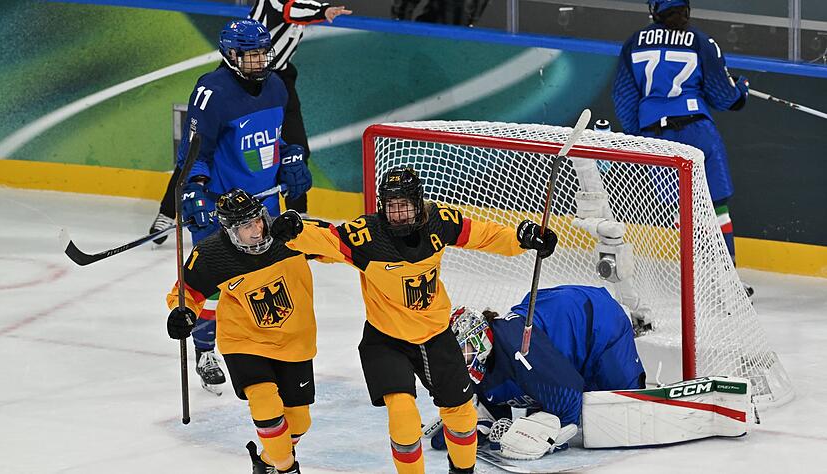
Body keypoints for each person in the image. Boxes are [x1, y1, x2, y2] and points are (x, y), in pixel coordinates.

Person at [268, 166, 559, 473]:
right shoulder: (367, 236)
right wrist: (296, 232)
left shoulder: (440, 221)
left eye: (404, 205)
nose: (397, 213)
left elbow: (483, 235)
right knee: (403, 417)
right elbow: (326, 240)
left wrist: (521, 239)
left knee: (462, 415)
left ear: (419, 203)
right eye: (391, 206)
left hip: (436, 334)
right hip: (386, 340)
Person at [167, 18, 314, 392]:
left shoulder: (276, 86)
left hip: (266, 207)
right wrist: (194, 189)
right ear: (230, 56)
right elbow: (195, 152)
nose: (259, 61)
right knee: (215, 285)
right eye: (250, 55)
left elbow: (273, 142)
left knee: (271, 279)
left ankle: (267, 347)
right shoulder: (212, 92)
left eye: (263, 52)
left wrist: (290, 158)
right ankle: (205, 351)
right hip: (224, 208)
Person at [166, 189, 318, 474]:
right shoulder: (213, 254)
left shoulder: (287, 236)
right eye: (247, 226)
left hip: (294, 341)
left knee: (299, 422)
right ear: (230, 231)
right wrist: (182, 312)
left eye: (258, 220)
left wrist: (303, 227)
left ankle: (267, 463)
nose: (257, 230)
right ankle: (287, 469)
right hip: (245, 341)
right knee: (265, 403)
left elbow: (336, 244)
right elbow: (186, 293)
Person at [612, 0, 752, 296]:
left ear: (654, 10)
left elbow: (624, 98)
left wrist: (641, 137)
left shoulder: (634, 43)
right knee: (718, 208)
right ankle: (729, 285)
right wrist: (740, 91)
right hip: (699, 132)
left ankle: (700, 281)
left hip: (658, 136)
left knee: (684, 213)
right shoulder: (701, 41)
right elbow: (723, 95)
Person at [431, 285, 646, 460]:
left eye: (462, 350)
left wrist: (548, 427)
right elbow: (493, 402)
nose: (457, 360)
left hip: (599, 320)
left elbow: (569, 393)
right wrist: (471, 421)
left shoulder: (518, 347)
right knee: (545, 390)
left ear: (479, 338)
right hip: (559, 328)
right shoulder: (482, 360)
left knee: (624, 412)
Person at [249, 0, 351, 215]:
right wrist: (324, 10)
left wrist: (322, 10)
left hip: (279, 79)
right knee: (239, 148)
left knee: (296, 149)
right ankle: (172, 210)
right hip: (247, 80)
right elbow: (289, 9)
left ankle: (298, 214)